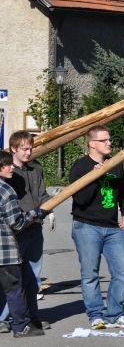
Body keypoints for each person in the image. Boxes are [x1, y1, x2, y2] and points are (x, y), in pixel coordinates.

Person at [69, 125, 124, 329]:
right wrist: (95, 177)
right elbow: (80, 200)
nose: (110, 143)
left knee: (123, 269)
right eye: (104, 140)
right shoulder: (80, 167)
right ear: (92, 144)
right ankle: (96, 315)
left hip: (112, 228)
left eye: (110, 139)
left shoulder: (115, 165)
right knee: (90, 273)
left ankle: (114, 314)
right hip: (86, 226)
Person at [0, 131, 51, 331]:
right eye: (25, 148)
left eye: (31, 148)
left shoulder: (35, 169)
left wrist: (49, 209)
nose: (29, 152)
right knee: (12, 279)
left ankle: (32, 318)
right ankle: (4, 318)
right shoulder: (7, 172)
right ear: (14, 149)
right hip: (15, 231)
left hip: (35, 228)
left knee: (33, 277)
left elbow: (42, 195)